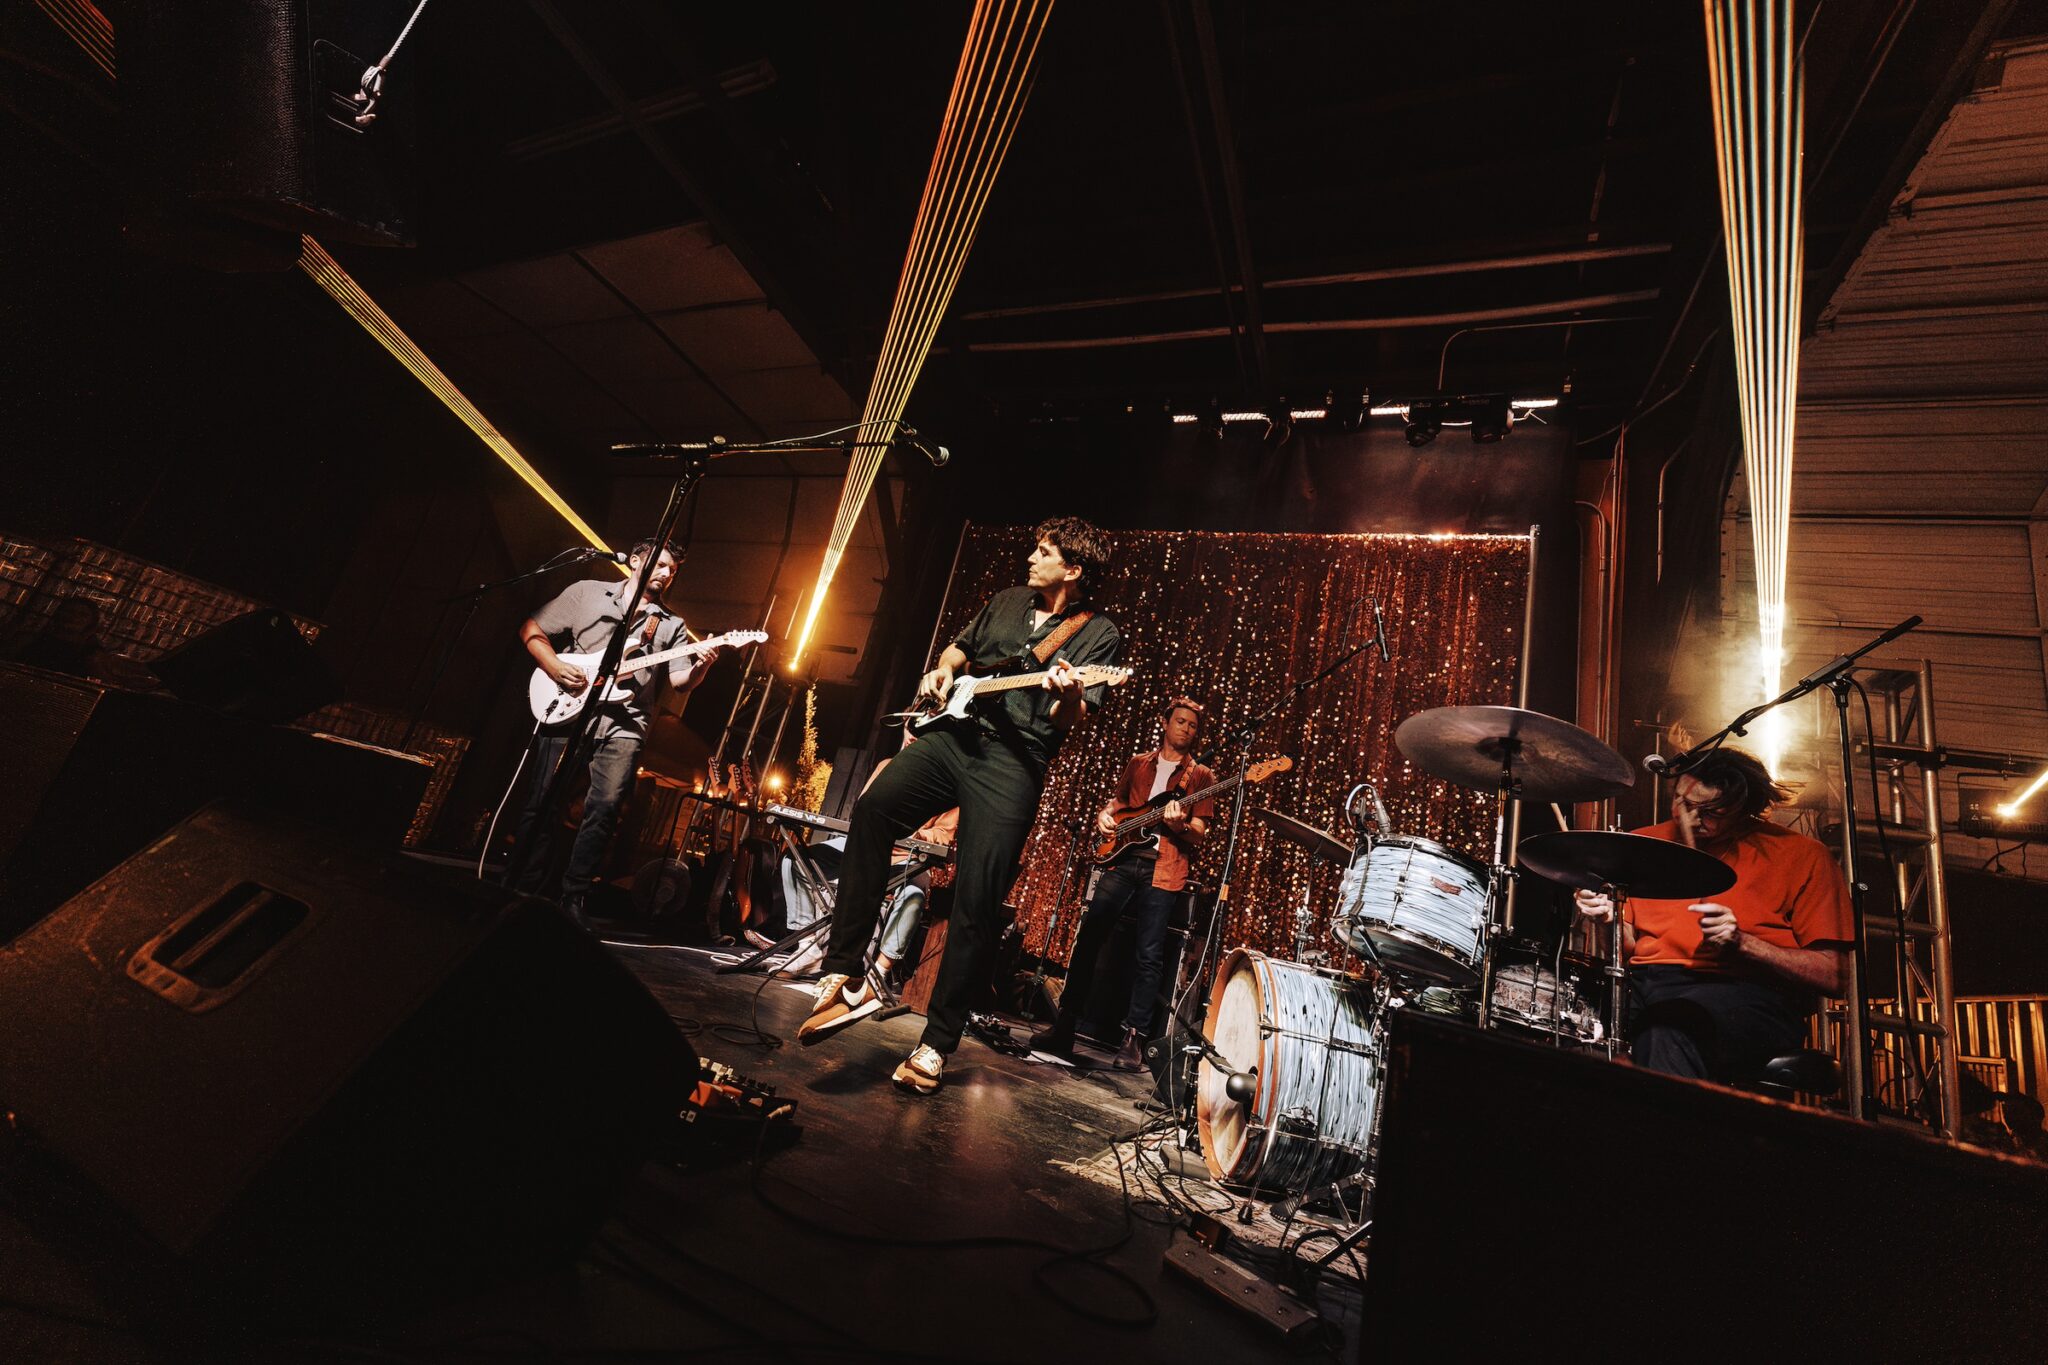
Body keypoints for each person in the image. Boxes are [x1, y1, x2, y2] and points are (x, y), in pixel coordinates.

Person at [797, 517, 1123, 1095]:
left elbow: (1067, 718)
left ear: (1073, 569)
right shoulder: (1006, 600)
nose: (1031, 557)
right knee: (874, 810)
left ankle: (935, 1045)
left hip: (1015, 762)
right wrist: (943, 670)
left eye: (1043, 552)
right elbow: (959, 650)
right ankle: (844, 971)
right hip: (956, 735)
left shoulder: (1098, 634)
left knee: (978, 894)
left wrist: (1069, 693)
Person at [1574, 748, 1852, 1085]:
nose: (1690, 819)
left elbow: (1834, 976)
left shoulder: (1803, 855)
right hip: (1646, 985)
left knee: (1669, 1028)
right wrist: (1607, 922)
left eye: (1710, 812)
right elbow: (1625, 950)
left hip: (1749, 993)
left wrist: (1743, 944)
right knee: (1571, 1025)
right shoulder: (1641, 844)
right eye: (1682, 801)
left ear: (1745, 808)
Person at [506, 540, 721, 921]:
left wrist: (702, 665)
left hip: (626, 723)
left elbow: (680, 682)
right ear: (636, 561)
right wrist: (554, 666)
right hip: (568, 709)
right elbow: (531, 628)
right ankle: (519, 886)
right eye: (660, 565)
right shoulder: (587, 593)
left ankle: (573, 898)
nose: (666, 574)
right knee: (542, 800)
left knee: (604, 810)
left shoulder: (670, 624)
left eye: (673, 571)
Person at [1030, 697, 1213, 1070]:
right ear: (1165, 723)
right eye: (1180, 721)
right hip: (1122, 860)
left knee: (1149, 956)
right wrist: (1104, 816)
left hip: (1164, 868)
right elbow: (1118, 803)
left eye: (1193, 725)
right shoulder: (1138, 763)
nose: (1186, 729)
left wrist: (1179, 824)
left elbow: (1199, 832)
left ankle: (1134, 1040)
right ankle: (1065, 1025)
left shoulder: (1201, 776)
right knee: (1088, 939)